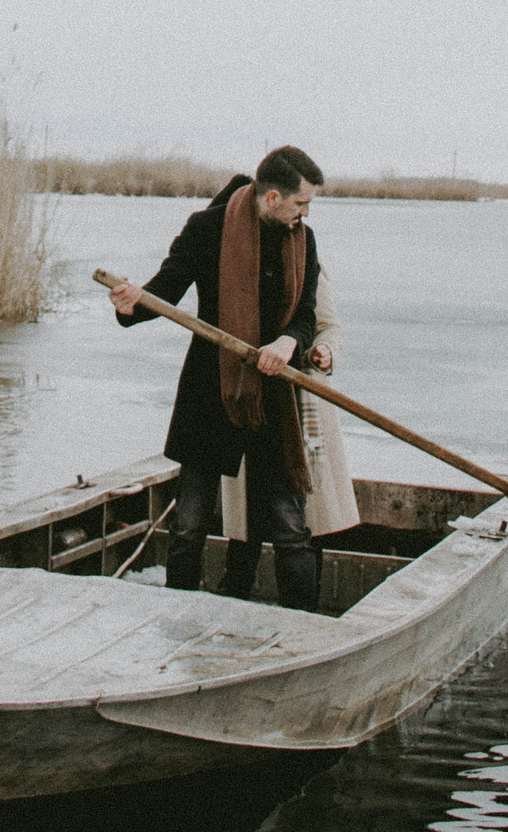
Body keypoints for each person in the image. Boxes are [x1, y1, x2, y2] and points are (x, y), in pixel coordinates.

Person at [108, 145, 327, 611]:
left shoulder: (303, 241)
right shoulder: (206, 229)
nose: (305, 214)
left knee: (289, 526)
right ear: (271, 198)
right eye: (300, 204)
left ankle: (305, 628)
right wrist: (132, 303)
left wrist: (288, 342)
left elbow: (306, 313)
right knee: (188, 522)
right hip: (211, 389)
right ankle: (179, 615)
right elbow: (164, 291)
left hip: (274, 393)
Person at [218, 263, 359, 597]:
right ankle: (233, 600)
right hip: (246, 399)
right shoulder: (236, 258)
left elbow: (328, 328)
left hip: (298, 403)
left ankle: (301, 612)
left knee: (300, 514)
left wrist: (324, 352)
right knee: (245, 517)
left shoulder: (306, 263)